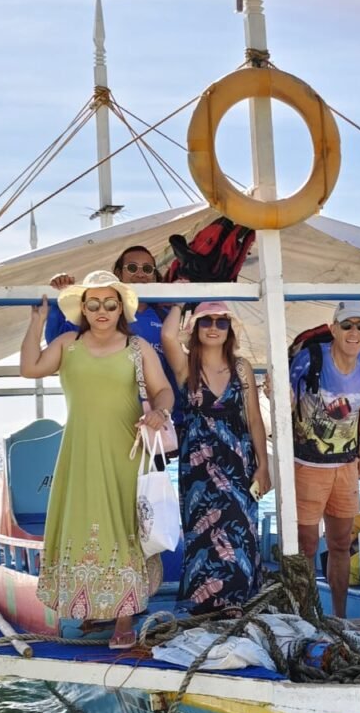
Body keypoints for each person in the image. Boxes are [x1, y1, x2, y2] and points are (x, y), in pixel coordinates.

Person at [20, 270, 175, 648]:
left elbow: (164, 390)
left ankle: (124, 617)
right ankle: (88, 606)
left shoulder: (138, 347)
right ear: (83, 309)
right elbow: (29, 368)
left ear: (120, 307)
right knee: (86, 525)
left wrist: (160, 413)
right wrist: (36, 323)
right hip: (79, 451)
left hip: (127, 452)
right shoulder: (67, 343)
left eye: (110, 304)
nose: (102, 311)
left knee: (125, 530)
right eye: (94, 304)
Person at [160, 301, 271, 614]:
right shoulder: (186, 366)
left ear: (229, 329)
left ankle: (239, 603)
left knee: (241, 531)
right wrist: (180, 301)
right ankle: (204, 607)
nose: (213, 327)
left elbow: (254, 419)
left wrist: (263, 465)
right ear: (194, 327)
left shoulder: (241, 367)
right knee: (203, 537)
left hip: (238, 462)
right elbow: (168, 336)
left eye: (221, 322)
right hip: (198, 468)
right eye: (205, 321)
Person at [290, 300, 360, 618]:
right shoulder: (310, 359)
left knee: (340, 544)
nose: (354, 332)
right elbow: (286, 400)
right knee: (306, 547)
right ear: (334, 328)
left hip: (345, 465)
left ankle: (339, 616)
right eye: (347, 325)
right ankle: (305, 617)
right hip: (308, 465)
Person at [46, 246, 181, 430]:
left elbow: (178, 369)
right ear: (118, 273)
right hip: (107, 419)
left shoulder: (165, 316)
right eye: (132, 268)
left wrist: (168, 413)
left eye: (147, 269)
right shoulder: (101, 317)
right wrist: (58, 297)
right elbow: (56, 343)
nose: (141, 274)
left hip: (155, 423)